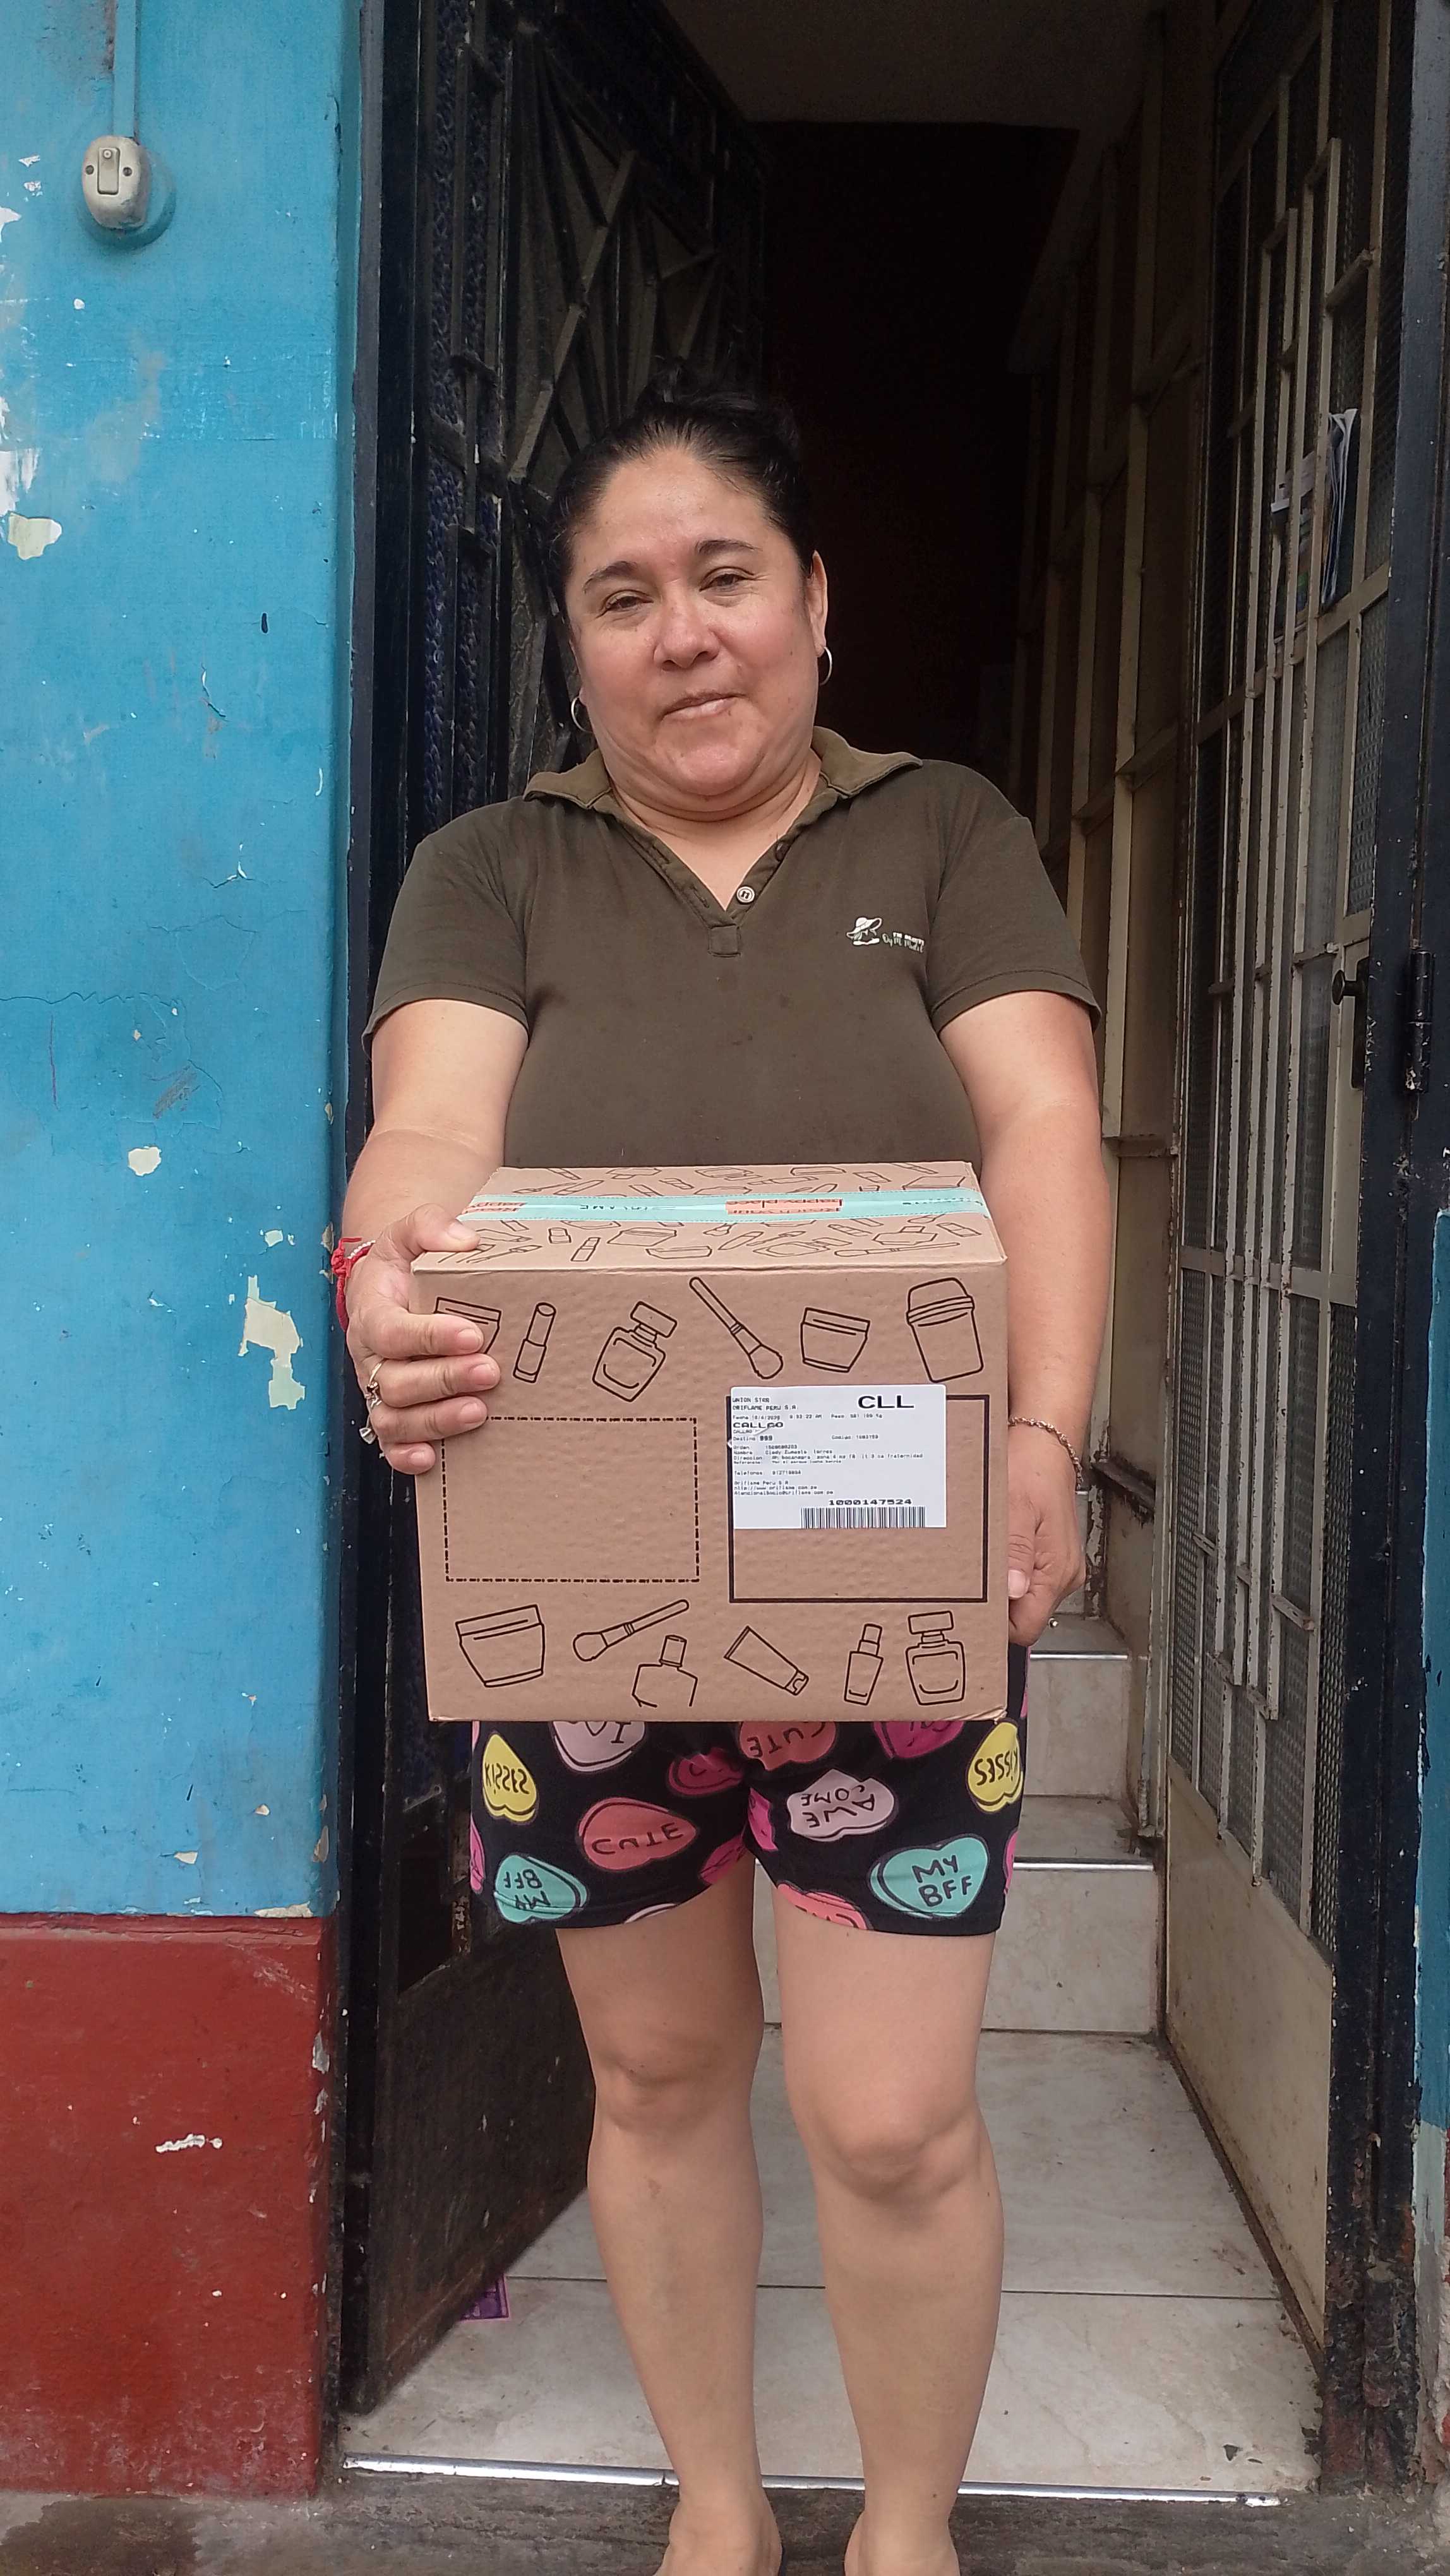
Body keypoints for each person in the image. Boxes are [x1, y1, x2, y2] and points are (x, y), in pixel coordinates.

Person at [337, 375, 1109, 2576]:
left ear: (815, 602)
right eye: (623, 596)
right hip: (590, 1584)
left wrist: (1043, 1436)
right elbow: (430, 1138)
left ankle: (909, 2527)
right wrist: (387, 1286)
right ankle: (718, 2500)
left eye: (724, 577)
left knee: (891, 2114)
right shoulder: (492, 870)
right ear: (574, 645)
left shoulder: (945, 834)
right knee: (661, 2081)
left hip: (889, 1556)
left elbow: (1043, 1129)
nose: (683, 633)